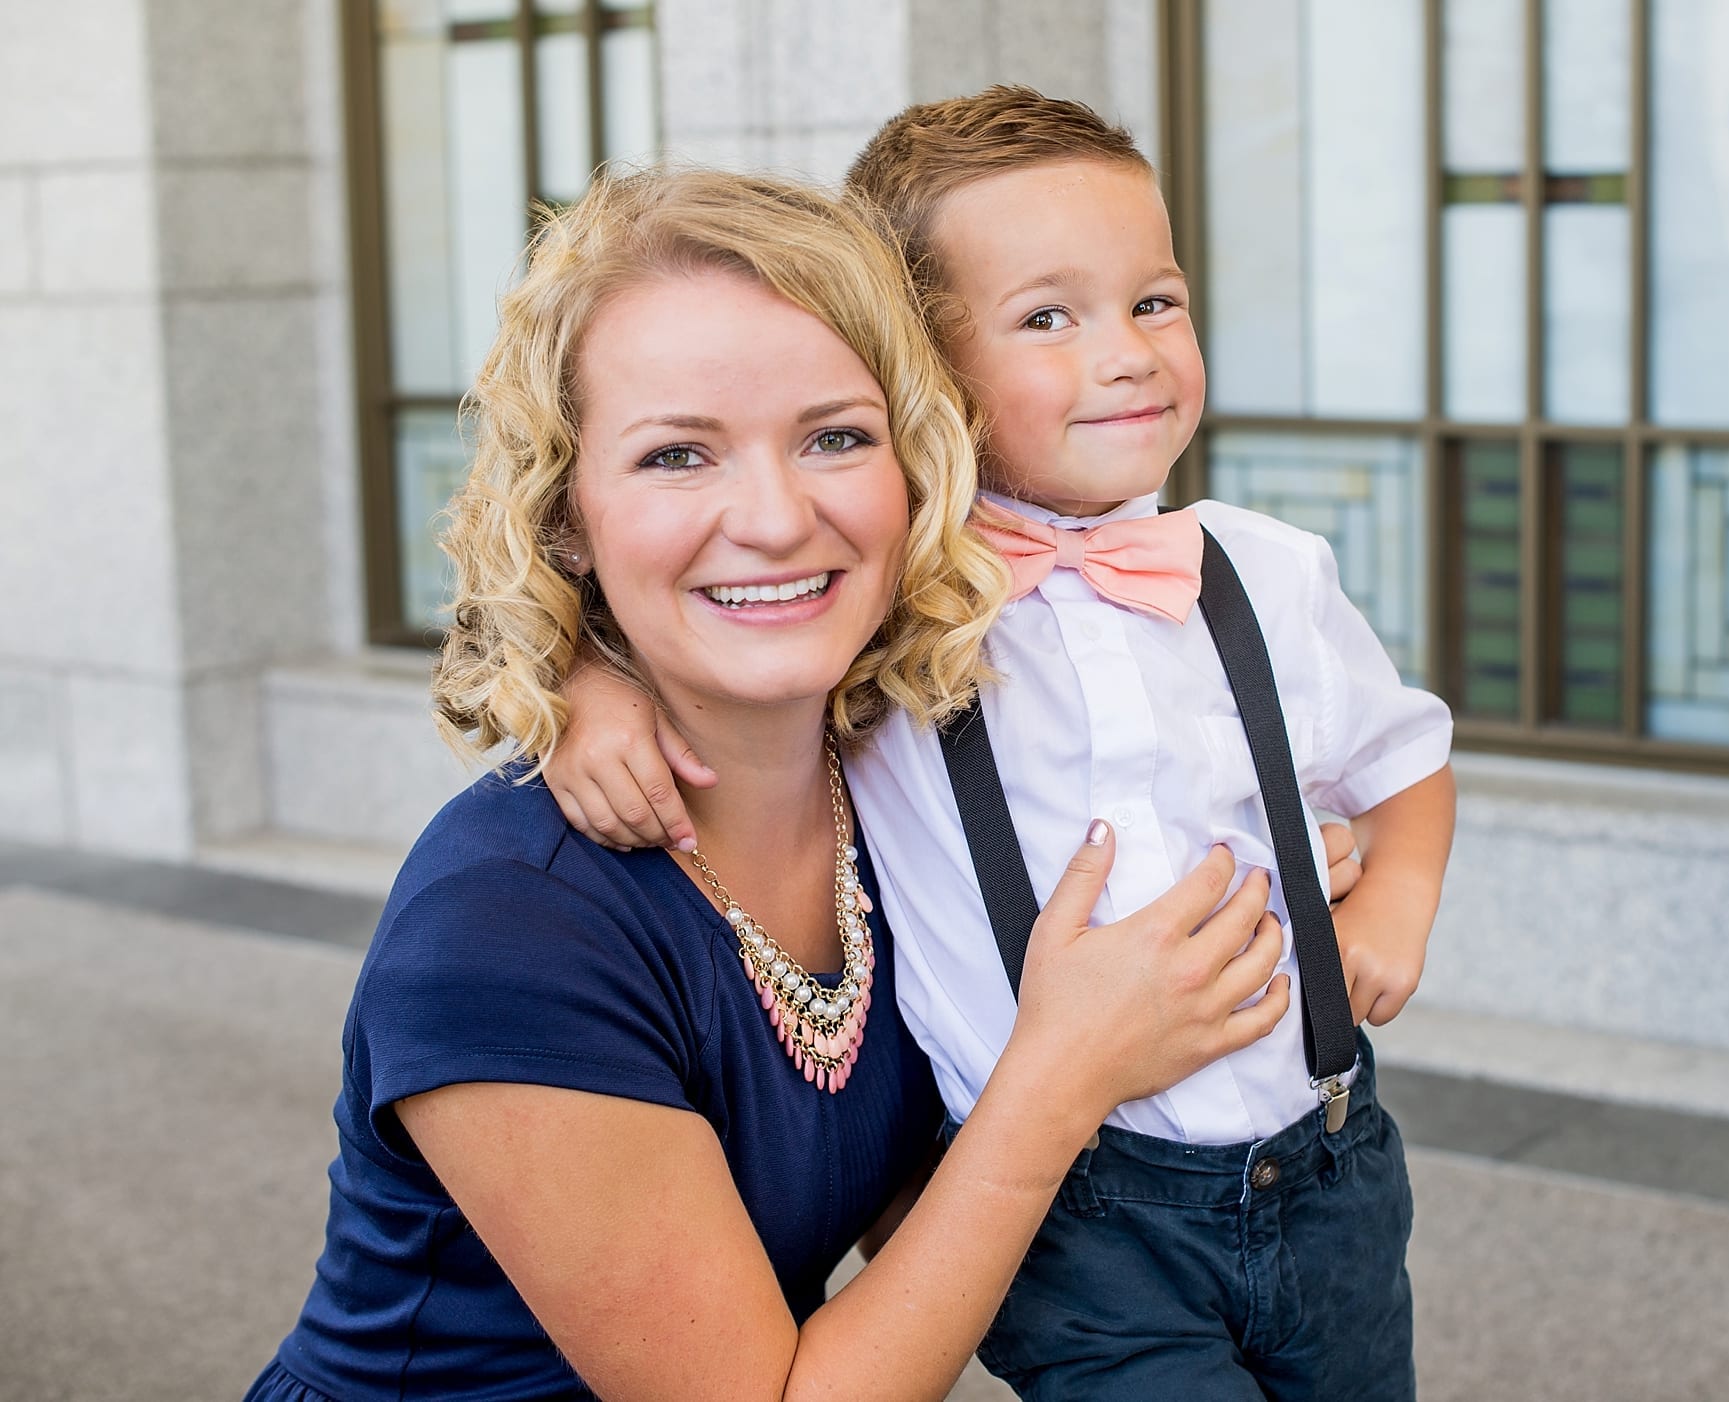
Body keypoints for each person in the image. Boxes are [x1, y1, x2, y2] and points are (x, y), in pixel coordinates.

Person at [246, 167, 1307, 1402]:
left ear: (920, 467)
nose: (775, 516)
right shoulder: (506, 928)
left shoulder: (905, 782)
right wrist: (1059, 1074)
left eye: (835, 437)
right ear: (568, 518)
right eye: (677, 454)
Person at [550, 89, 1456, 1400]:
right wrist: (600, 684)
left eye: (1156, 300)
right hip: (1077, 1219)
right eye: (1050, 317)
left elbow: (1404, 754)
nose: (1131, 353)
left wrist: (1400, 901)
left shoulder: (1267, 571)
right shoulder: (889, 584)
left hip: (1326, 1160)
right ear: (923, 366)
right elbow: (709, 625)